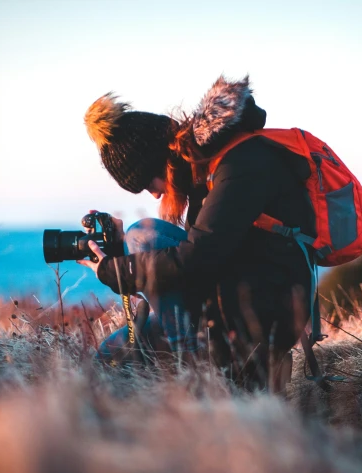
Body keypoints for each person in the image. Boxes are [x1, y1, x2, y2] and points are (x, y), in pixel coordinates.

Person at [81, 75, 317, 387]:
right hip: (230, 298)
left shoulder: (240, 164)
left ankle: (197, 377)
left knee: (144, 234)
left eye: (147, 183)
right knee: (109, 355)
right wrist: (119, 250)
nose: (153, 195)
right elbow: (185, 274)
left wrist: (117, 269)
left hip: (267, 310)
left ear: (159, 161)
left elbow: (195, 259)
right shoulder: (204, 176)